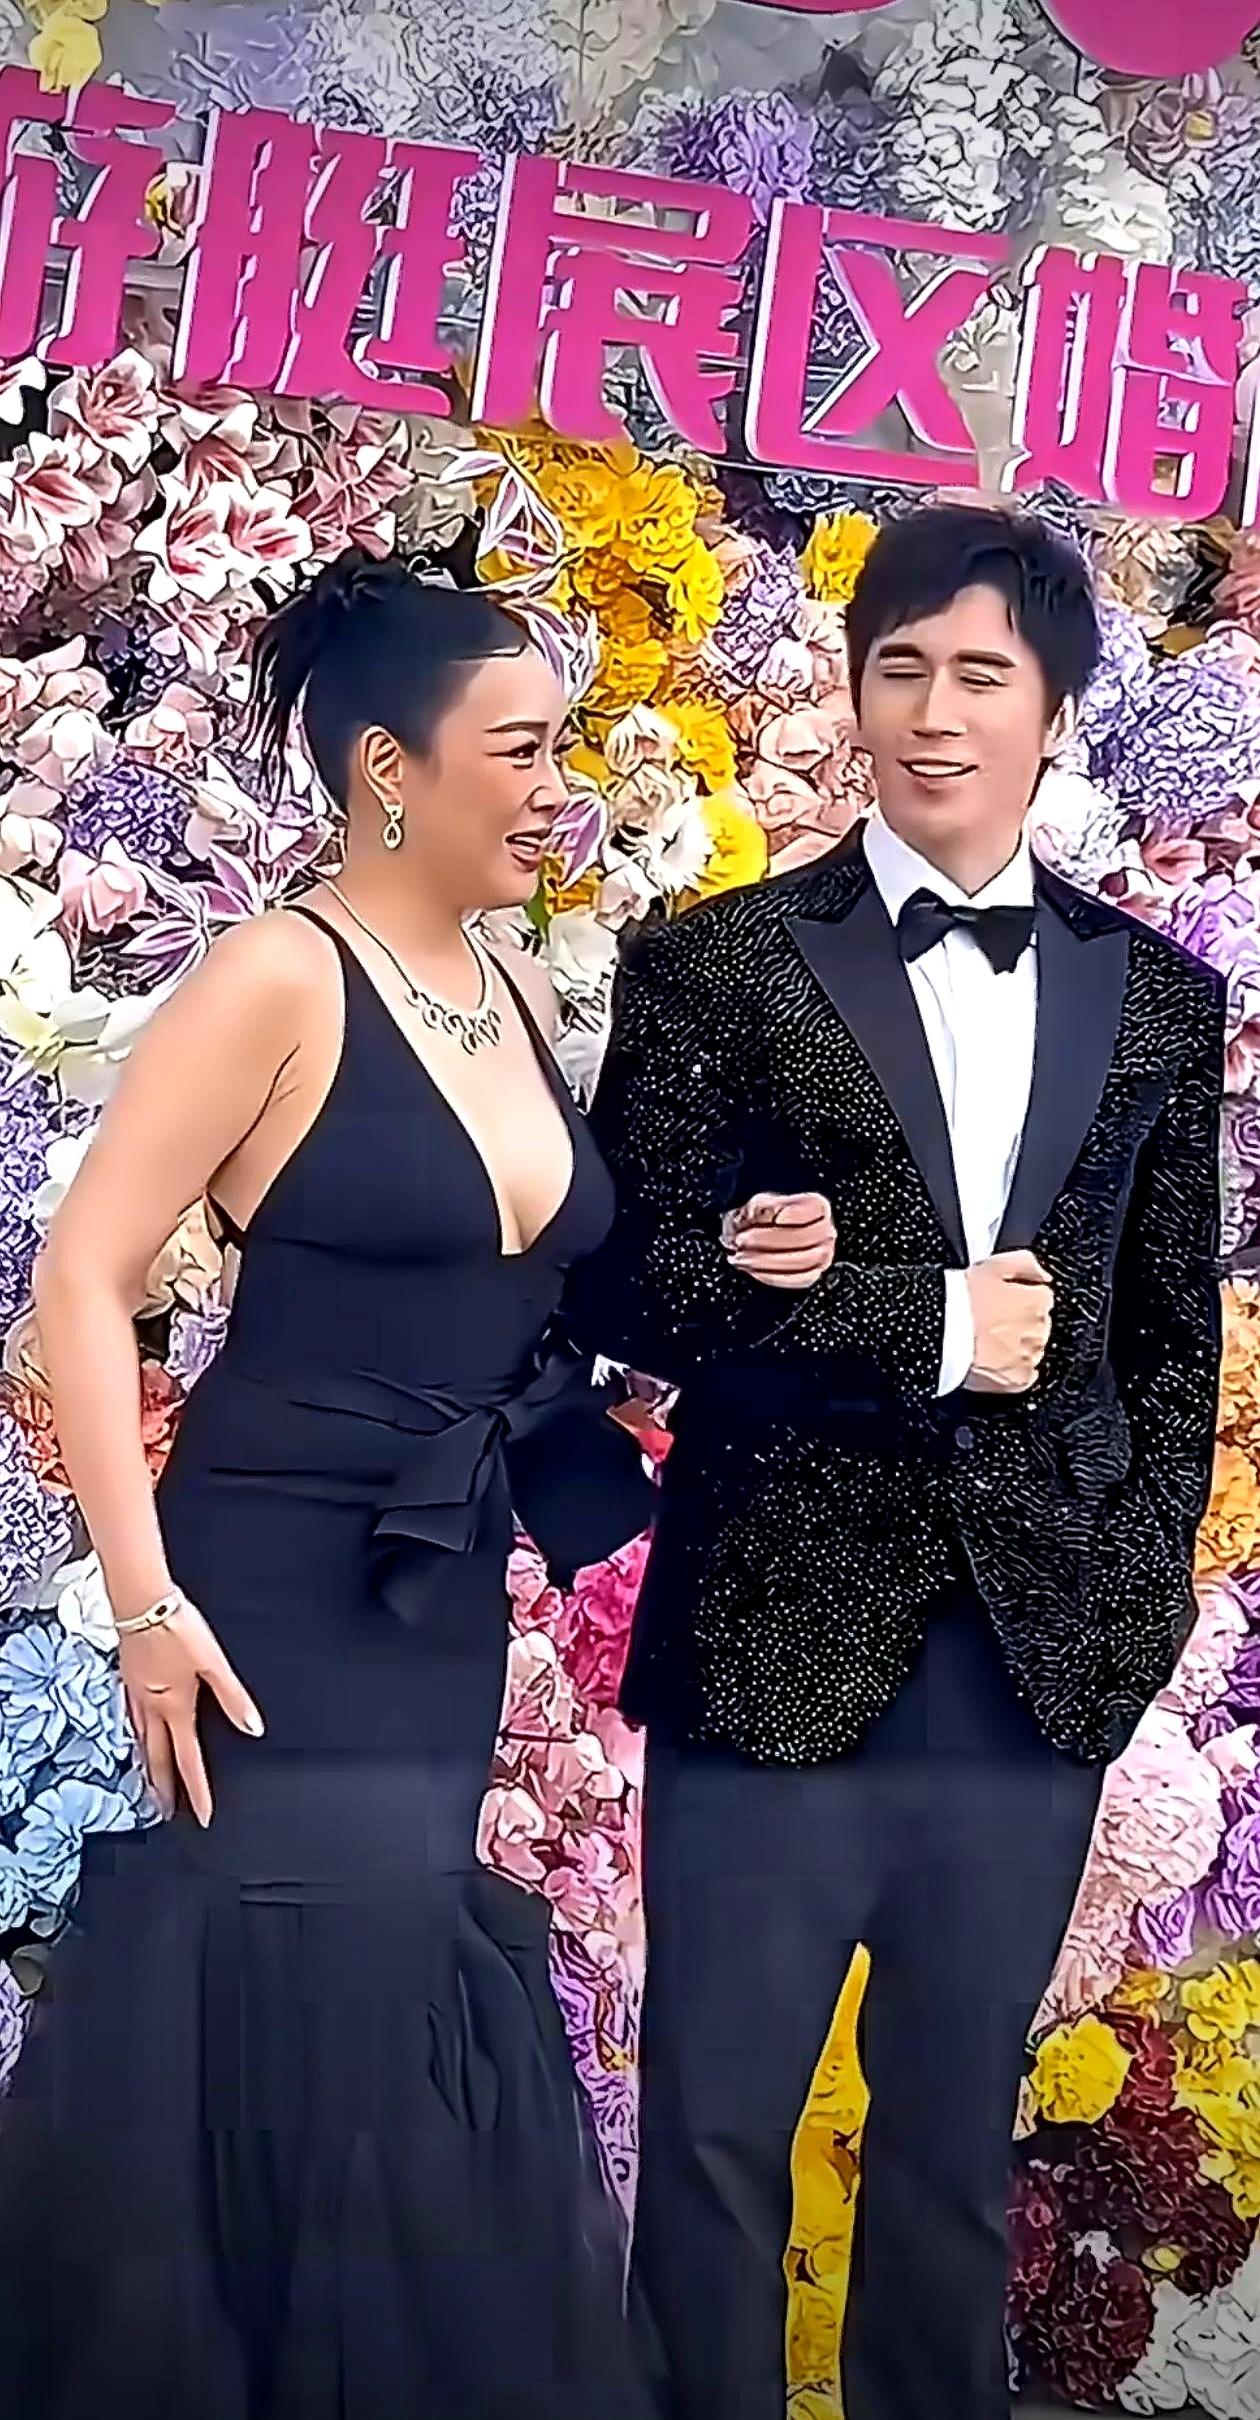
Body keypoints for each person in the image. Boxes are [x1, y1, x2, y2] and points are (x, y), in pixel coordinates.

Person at [0, 550, 683, 2420]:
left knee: (387, 1988)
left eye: (565, 750)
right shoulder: (278, 975)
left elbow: (528, 1283)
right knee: (305, 1986)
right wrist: (143, 1606)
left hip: (438, 1591)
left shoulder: (504, 983)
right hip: (269, 1601)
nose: (560, 789)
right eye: (522, 749)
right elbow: (82, 1274)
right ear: (392, 767)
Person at [569, 505, 1225, 2420]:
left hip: (1030, 1664)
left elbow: (1164, 1340)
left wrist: (1129, 1609)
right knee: (716, 2129)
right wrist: (907, 1316)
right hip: (774, 1632)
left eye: (981, 675)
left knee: (951, 2145)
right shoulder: (716, 967)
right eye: (901, 668)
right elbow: (624, 1280)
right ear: (855, 691)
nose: (936, 713)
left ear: (1056, 710)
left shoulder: (1157, 998)